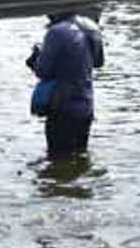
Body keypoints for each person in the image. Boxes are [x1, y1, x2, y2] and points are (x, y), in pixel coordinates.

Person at [30, 13, 97, 159]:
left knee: (57, 159)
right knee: (80, 157)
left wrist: (35, 60)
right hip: (85, 105)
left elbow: (42, 71)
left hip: (62, 106)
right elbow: (98, 61)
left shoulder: (56, 32)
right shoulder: (90, 26)